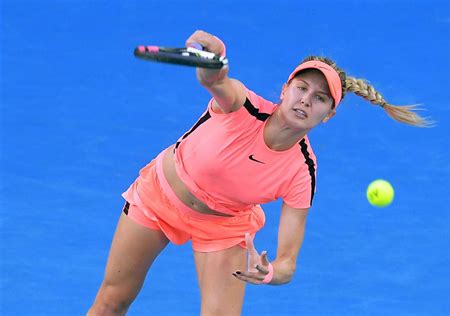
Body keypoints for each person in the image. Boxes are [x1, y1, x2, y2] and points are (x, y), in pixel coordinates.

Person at [87, 30, 431, 316]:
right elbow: (217, 80)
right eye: (302, 88)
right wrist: (214, 63)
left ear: (328, 115)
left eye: (320, 98)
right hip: (159, 197)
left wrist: (269, 274)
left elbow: (287, 264)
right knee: (112, 301)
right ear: (285, 89)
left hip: (223, 227)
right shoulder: (243, 106)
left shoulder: (302, 171)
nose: (306, 100)